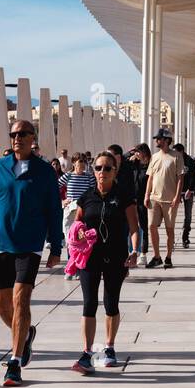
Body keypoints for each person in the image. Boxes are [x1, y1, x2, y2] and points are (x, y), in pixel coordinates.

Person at [0, 119, 63, 387]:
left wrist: (55, 246)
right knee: (2, 305)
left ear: (32, 137)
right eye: (13, 134)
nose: (17, 138)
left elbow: (54, 211)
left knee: (21, 300)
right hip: (1, 244)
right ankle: (26, 334)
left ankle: (14, 363)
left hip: (30, 245)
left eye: (23, 134)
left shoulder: (44, 171)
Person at [69, 150, 141, 374]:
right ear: (94, 170)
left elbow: (134, 228)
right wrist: (77, 235)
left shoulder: (124, 196)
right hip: (89, 257)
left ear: (115, 171)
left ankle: (109, 347)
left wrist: (135, 250)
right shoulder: (87, 196)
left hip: (115, 256)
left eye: (107, 168)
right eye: (98, 168)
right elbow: (77, 222)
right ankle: (87, 352)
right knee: (89, 303)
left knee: (111, 303)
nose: (102, 172)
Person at [143, 129, 182, 268]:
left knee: (169, 229)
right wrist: (147, 195)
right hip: (154, 198)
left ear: (166, 140)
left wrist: (177, 196)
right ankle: (156, 256)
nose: (156, 141)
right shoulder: (154, 157)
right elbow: (151, 177)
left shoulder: (176, 156)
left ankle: (169, 257)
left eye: (159, 138)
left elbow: (180, 178)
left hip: (170, 200)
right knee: (151, 226)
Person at [58, 154, 95, 256]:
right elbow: (54, 187)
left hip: (84, 210)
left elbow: (94, 191)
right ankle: (71, 262)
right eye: (80, 161)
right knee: (70, 237)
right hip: (70, 210)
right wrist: (62, 200)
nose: (82, 164)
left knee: (83, 237)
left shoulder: (89, 177)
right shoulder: (68, 175)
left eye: (84, 162)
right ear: (74, 163)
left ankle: (82, 262)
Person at [128, 143, 151, 258]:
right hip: (132, 199)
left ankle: (143, 253)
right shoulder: (133, 164)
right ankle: (132, 251)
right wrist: (130, 152)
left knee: (144, 226)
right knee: (131, 226)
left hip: (144, 200)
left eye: (138, 151)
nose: (136, 154)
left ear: (144, 152)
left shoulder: (150, 166)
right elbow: (119, 158)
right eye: (135, 152)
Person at [175, 143, 195, 249]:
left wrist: (191, 189)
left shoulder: (189, 161)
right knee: (170, 215)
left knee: (188, 215)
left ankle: (185, 237)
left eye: (176, 152)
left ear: (182, 151)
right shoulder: (173, 160)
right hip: (176, 191)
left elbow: (193, 175)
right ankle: (170, 237)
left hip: (188, 191)